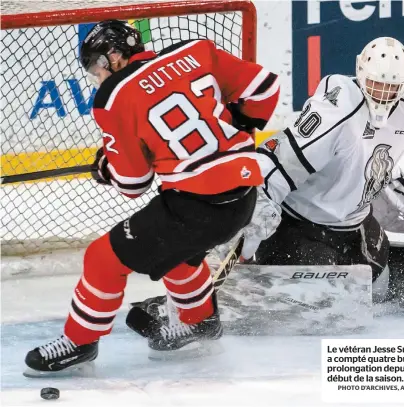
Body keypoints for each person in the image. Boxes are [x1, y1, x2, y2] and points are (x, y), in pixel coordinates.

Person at [24, 19, 280, 376]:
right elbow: (266, 87)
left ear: (114, 56)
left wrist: (107, 168)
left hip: (195, 205)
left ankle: (79, 342)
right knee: (178, 253)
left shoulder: (113, 95)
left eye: (97, 65)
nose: (97, 75)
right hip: (242, 197)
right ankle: (199, 321)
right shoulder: (196, 52)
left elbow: (133, 183)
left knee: (102, 258)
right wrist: (238, 125)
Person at [240, 37, 404, 301]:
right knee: (317, 295)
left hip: (355, 225)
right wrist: (251, 218)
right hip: (299, 223)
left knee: (376, 278)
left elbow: (374, 154)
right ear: (360, 71)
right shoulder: (336, 107)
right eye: (376, 83)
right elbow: (279, 159)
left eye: (391, 86)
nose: (382, 93)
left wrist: (389, 180)